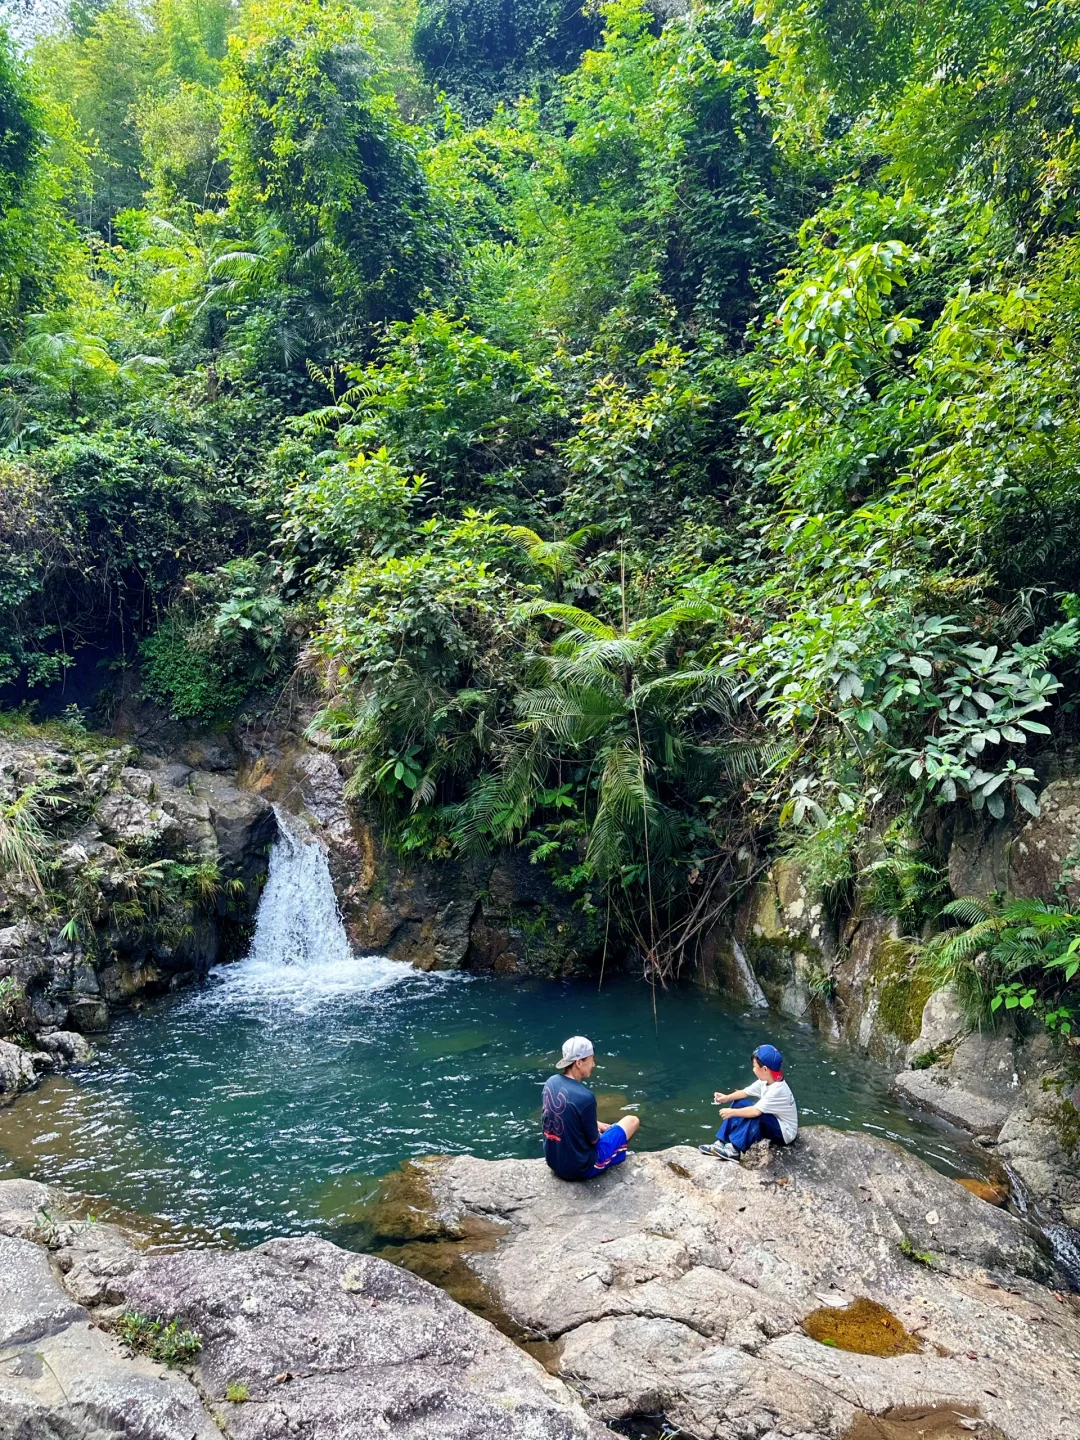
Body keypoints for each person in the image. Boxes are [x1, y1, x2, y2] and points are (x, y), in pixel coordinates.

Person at [541, 1035, 641, 1180]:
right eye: (591, 1059)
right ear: (579, 1062)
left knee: (606, 1128)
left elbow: (566, 1115)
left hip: (554, 1162)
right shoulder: (585, 1097)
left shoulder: (551, 1083)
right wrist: (604, 1133)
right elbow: (594, 1140)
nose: (593, 1064)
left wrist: (596, 1124)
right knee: (632, 1121)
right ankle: (616, 1157)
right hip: (581, 1168)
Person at [700, 1043, 798, 1160]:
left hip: (785, 1132)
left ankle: (734, 1150)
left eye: (755, 1066)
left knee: (757, 1116)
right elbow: (745, 1092)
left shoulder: (778, 1089)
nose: (753, 1069)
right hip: (774, 1119)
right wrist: (727, 1097)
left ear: (765, 1069)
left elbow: (755, 1112)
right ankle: (722, 1142)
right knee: (739, 1103)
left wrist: (732, 1113)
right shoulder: (767, 1080)